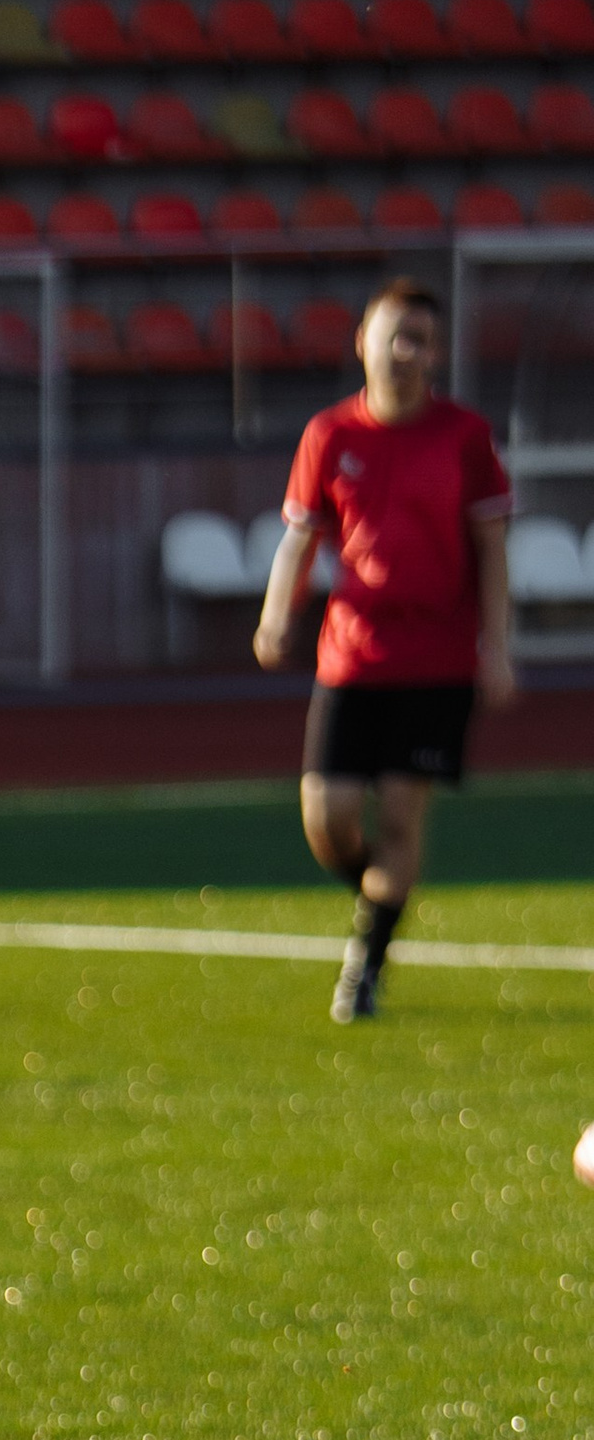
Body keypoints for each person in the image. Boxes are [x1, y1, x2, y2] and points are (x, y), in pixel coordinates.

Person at [254, 277, 513, 1025]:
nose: (403, 351)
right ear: (361, 343)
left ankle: (365, 966)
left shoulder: (464, 437)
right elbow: (300, 536)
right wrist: (276, 615)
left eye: (419, 340)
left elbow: (492, 546)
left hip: (436, 661)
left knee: (402, 817)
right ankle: (385, 902)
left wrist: (497, 647)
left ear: (436, 354)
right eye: (392, 335)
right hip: (352, 656)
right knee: (327, 820)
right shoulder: (330, 434)